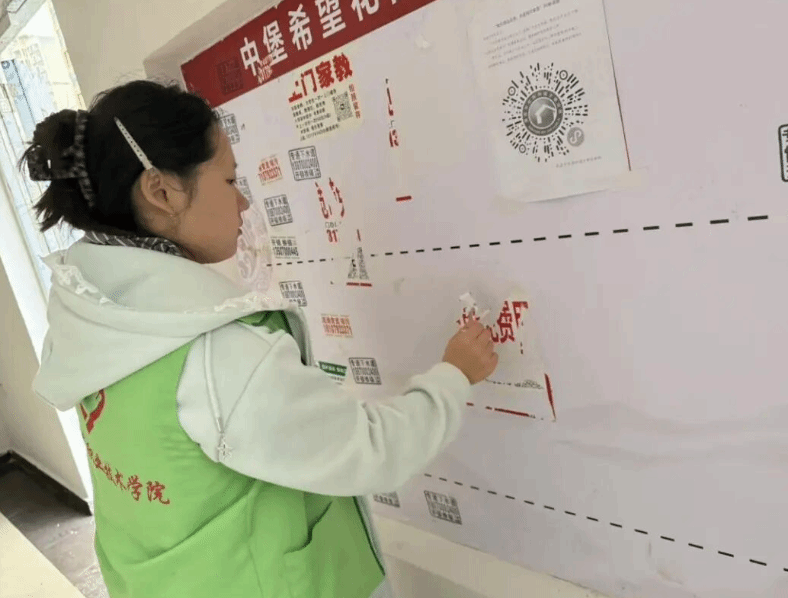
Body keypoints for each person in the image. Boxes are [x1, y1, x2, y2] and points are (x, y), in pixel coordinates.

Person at [25, 80, 499, 598]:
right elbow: (373, 452)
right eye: (229, 180)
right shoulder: (217, 356)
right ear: (162, 192)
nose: (244, 201)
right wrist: (454, 375)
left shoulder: (89, 315)